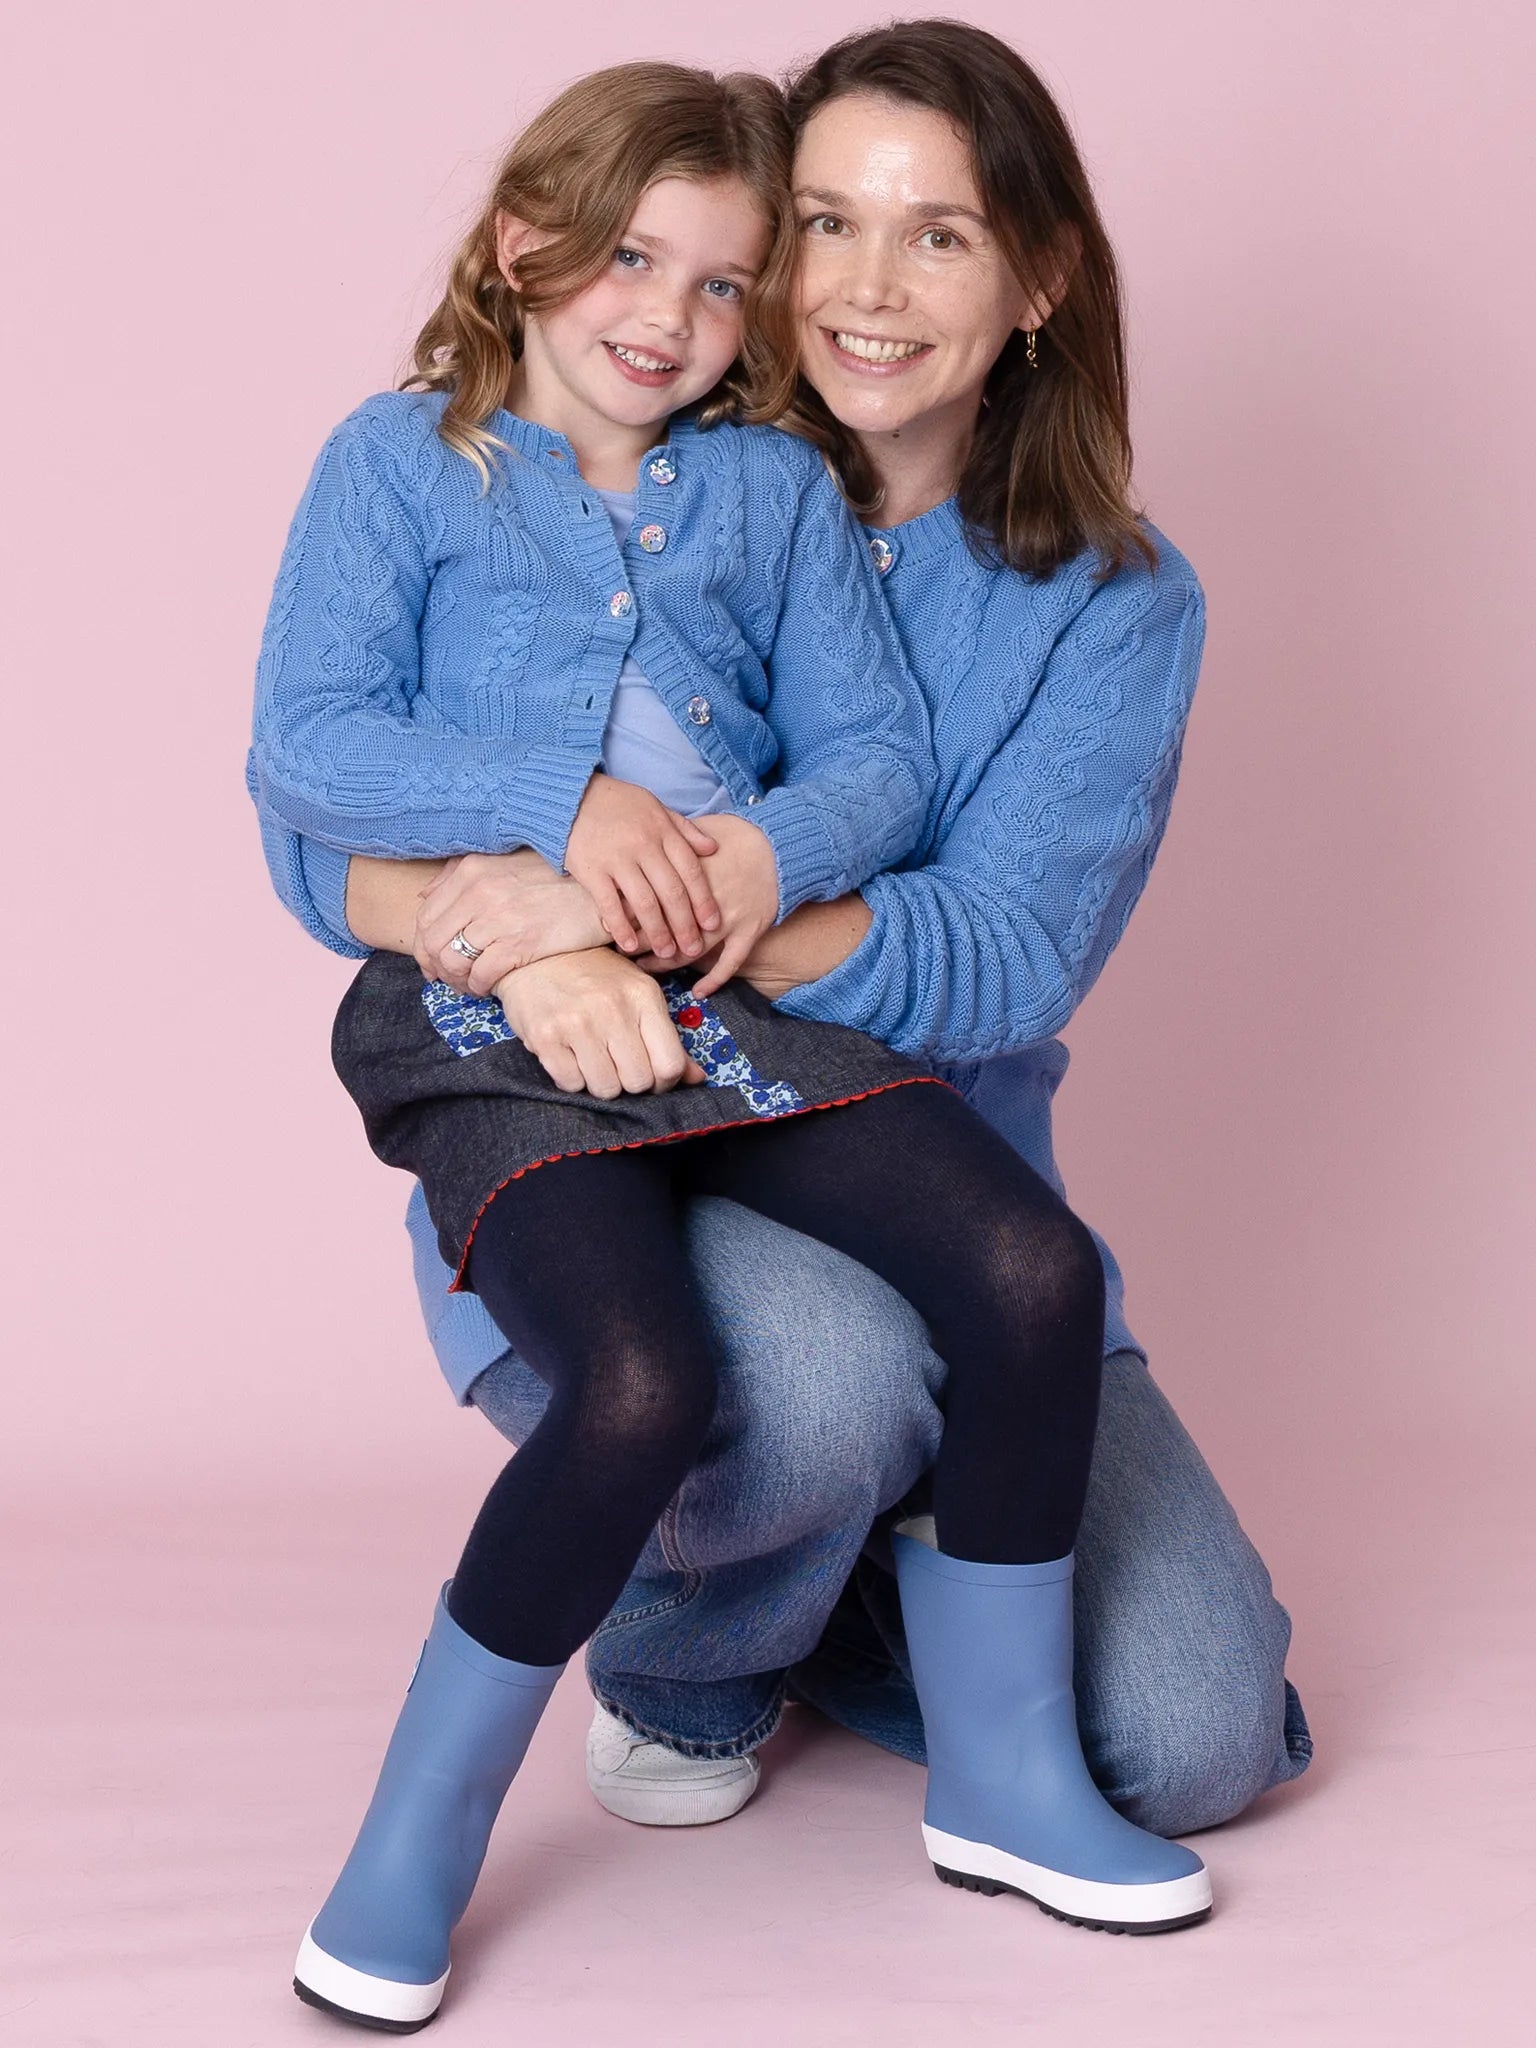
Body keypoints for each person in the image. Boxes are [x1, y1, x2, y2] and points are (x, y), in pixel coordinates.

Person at [252, 53, 1220, 2036]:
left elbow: (970, 896)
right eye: (825, 233)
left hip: (772, 1047)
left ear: (1033, 278)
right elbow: (306, 768)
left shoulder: (859, 524)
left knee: (1158, 1623)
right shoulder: (424, 454)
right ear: (523, 248)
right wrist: (535, 864)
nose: (717, 309)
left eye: (934, 232)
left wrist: (718, 871)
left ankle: (1000, 1774)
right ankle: (501, 1785)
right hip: (519, 1038)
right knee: (725, 1377)